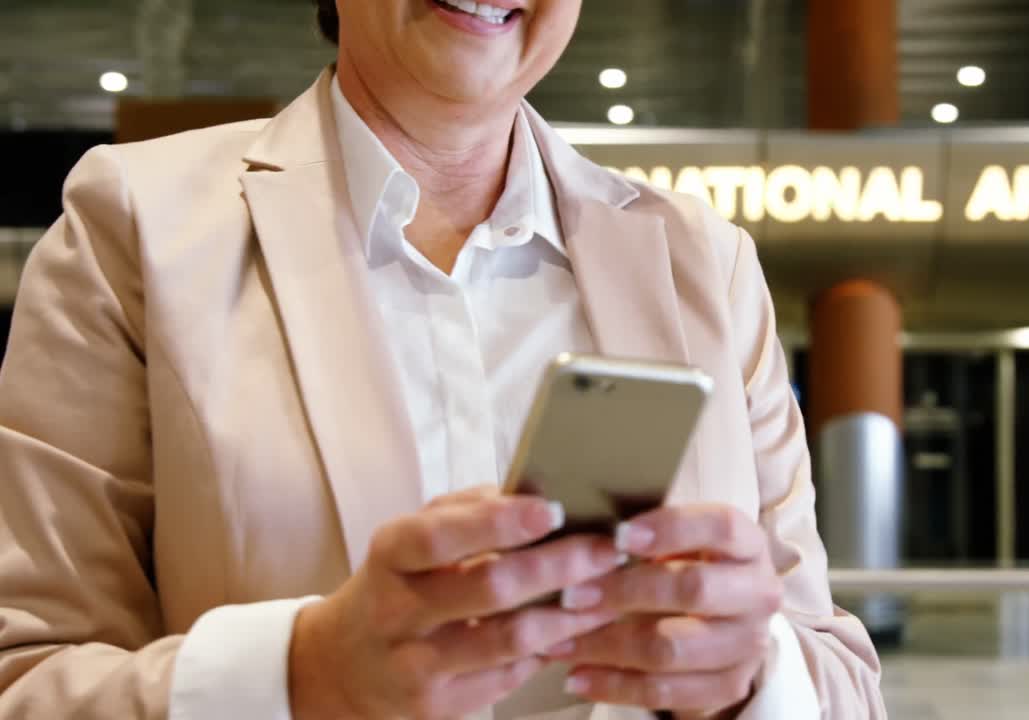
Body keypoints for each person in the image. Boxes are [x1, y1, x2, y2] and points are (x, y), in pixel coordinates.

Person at [0, 1, 886, 718]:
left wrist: (749, 678)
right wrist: (303, 675)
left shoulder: (704, 263)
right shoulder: (136, 229)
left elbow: (842, 678)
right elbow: (25, 677)